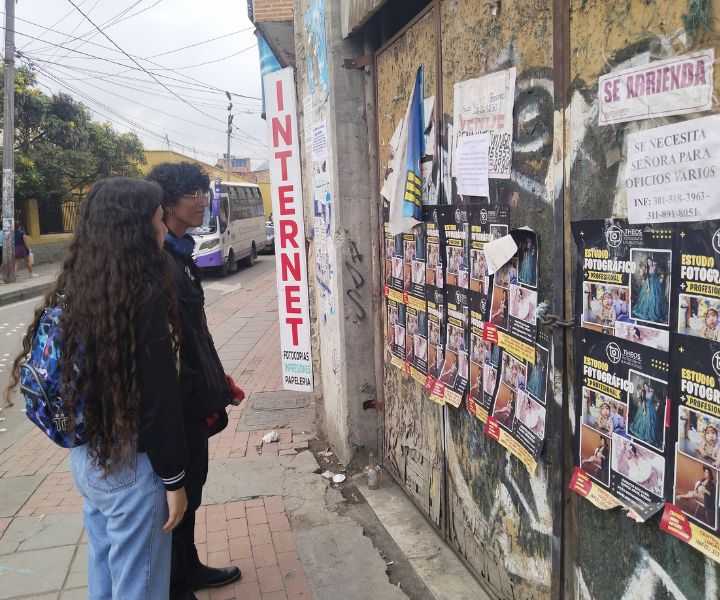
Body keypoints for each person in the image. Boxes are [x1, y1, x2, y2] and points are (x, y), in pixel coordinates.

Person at [5, 178, 188, 599]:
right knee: (138, 586)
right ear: (138, 228)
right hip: (130, 465)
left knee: (105, 575)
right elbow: (158, 403)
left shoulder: (81, 286)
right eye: (159, 219)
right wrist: (175, 481)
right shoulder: (143, 294)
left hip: (89, 457)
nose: (163, 227)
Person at [146, 163, 241, 600]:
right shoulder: (159, 262)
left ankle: (189, 568)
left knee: (194, 492)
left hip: (195, 395)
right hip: (178, 406)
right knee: (179, 498)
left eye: (204, 192)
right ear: (166, 203)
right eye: (193, 194)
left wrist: (216, 378)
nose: (202, 201)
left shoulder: (181, 252)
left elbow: (195, 332)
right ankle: (176, 583)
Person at [633, 256, 668, 323]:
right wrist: (648, 288)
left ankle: (655, 312)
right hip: (648, 283)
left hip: (655, 282)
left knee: (656, 298)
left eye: (650, 261)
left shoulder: (655, 266)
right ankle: (648, 312)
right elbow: (648, 278)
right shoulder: (647, 269)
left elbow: (661, 273)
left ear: (652, 261)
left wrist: (661, 280)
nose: (649, 263)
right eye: (648, 262)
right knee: (647, 297)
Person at [630, 382, 660, 447]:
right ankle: (644, 436)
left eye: (646, 386)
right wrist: (644, 410)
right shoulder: (644, 393)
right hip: (644, 407)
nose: (646, 388)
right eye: (645, 387)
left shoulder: (652, 393)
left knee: (651, 423)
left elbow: (656, 401)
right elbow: (643, 402)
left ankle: (650, 437)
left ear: (649, 387)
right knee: (643, 421)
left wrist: (656, 406)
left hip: (651, 408)